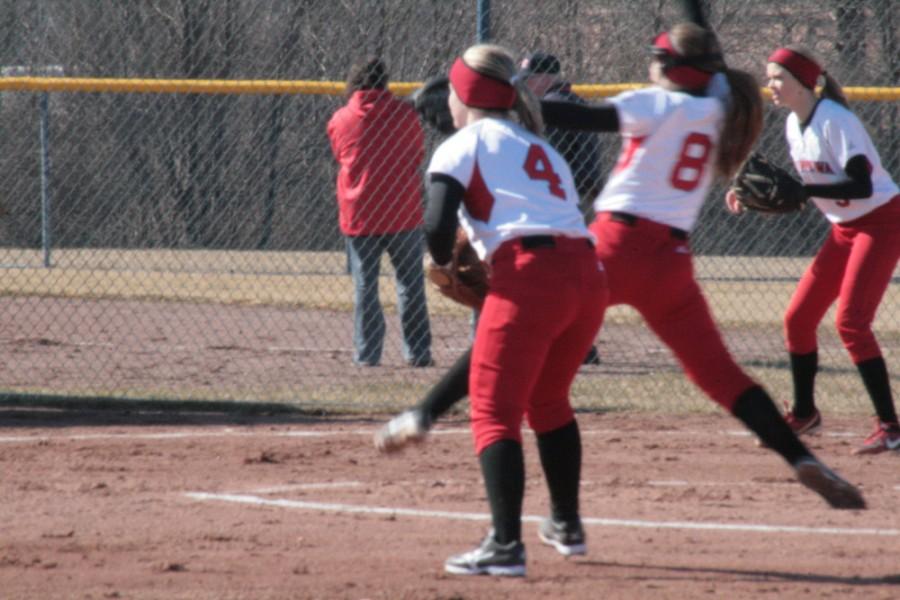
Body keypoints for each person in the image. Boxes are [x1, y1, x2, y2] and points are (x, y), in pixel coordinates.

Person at [378, 23, 866, 515]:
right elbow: (697, 35)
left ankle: (423, 414)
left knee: (515, 320)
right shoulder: (717, 104)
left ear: (674, 69)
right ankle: (799, 455)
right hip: (672, 261)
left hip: (615, 245)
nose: (650, 63)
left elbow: (577, 116)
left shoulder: (658, 102)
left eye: (656, 56)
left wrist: (499, 101)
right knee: (719, 374)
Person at [423, 43, 609, 577]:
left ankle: (505, 545)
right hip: (588, 277)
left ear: (464, 97)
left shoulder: (462, 144)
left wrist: (445, 264)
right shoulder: (539, 146)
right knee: (549, 400)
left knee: (492, 410)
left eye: (453, 93)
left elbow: (436, 227)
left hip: (533, 274)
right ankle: (566, 526)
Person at [726, 46, 900, 454]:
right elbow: (801, 188)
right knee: (798, 319)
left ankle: (891, 426)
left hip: (882, 222)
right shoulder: (792, 124)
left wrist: (804, 190)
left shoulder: (836, 121)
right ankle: (805, 413)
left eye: (778, 77)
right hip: (844, 229)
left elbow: (861, 185)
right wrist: (745, 194)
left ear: (805, 83)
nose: (770, 84)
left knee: (851, 324)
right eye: (769, 78)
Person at [327, 56, 433, 367]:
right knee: (410, 284)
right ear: (385, 82)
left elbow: (340, 154)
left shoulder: (341, 118)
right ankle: (417, 353)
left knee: (365, 286)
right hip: (402, 210)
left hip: (360, 213)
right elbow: (417, 152)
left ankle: (367, 354)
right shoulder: (405, 114)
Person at [520, 51, 603, 365]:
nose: (527, 86)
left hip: (553, 205)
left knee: (548, 277)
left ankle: (574, 344)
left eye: (529, 79)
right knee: (570, 277)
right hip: (575, 201)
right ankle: (581, 345)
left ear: (544, 78)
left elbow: (545, 162)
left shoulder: (552, 108)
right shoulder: (576, 101)